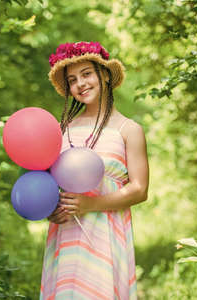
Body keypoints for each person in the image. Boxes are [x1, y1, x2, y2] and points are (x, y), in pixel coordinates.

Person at [40, 41, 149, 300]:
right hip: (67, 232)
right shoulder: (61, 129)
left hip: (106, 233)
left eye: (87, 74)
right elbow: (48, 183)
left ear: (105, 75)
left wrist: (90, 204)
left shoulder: (128, 130)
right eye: (72, 80)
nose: (80, 84)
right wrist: (51, 209)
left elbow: (139, 189)